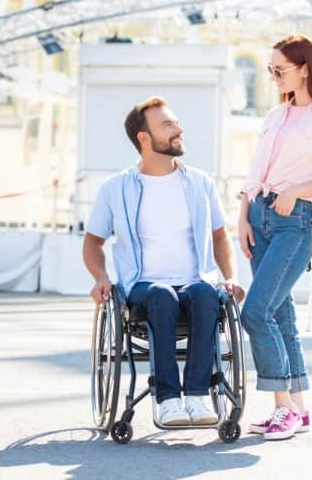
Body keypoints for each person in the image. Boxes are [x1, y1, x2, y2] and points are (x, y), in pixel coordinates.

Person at [82, 96, 244, 426]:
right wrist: (100, 277)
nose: (179, 129)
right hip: (144, 288)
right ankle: (168, 399)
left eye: (176, 122)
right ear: (144, 138)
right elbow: (93, 242)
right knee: (160, 294)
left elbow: (220, 236)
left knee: (203, 293)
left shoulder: (200, 183)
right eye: (168, 125)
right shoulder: (116, 188)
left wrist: (229, 276)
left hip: (195, 281)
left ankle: (198, 397)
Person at [238, 35, 312, 440]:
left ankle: (281, 406)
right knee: (281, 314)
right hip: (261, 215)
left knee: (255, 311)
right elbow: (255, 172)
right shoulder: (275, 115)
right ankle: (299, 409)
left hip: (297, 220)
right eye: (269, 69)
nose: (272, 76)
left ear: (304, 67)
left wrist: (296, 191)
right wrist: (243, 217)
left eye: (279, 69)